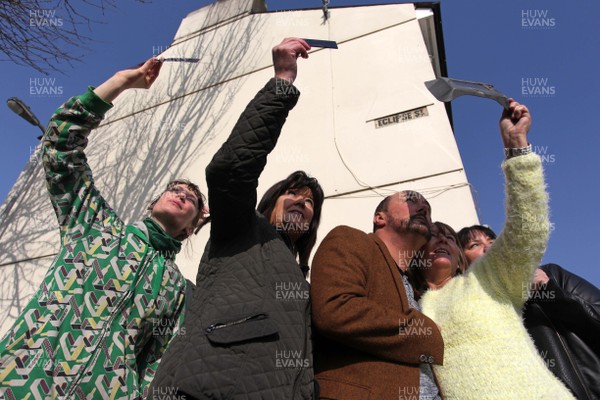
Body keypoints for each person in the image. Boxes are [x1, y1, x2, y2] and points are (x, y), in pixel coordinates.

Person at [0, 58, 209, 399]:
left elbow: (156, 367)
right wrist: (121, 82)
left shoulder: (179, 291)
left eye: (192, 199)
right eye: (175, 189)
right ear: (152, 203)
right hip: (17, 382)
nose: (181, 194)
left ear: (192, 226)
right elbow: (60, 145)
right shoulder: (94, 225)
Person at [150, 38, 323, 399]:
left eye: (310, 203)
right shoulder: (242, 227)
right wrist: (283, 81)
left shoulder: (301, 279)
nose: (302, 204)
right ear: (271, 202)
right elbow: (230, 168)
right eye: (293, 195)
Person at [408, 100, 575, 398]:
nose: (442, 240)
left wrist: (516, 147)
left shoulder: (486, 279)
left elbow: (528, 229)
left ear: (460, 257)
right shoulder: (412, 305)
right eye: (432, 236)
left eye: (448, 236)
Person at [310, 189, 444, 400]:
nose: (423, 207)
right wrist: (427, 332)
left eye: (427, 207)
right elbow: (335, 308)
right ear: (379, 217)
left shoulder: (416, 288)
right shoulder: (349, 239)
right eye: (410, 200)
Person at [458, 225, 600, 400]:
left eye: (492, 241)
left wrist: (550, 291)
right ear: (462, 262)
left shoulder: (552, 275)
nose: (489, 248)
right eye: (474, 245)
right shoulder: (475, 313)